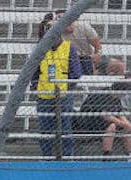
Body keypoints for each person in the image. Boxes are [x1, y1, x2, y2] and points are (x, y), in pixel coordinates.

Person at [32, 13, 83, 158]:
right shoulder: (40, 49)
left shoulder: (69, 48)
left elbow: (76, 73)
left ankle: (67, 157)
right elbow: (34, 72)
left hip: (63, 96)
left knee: (65, 129)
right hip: (43, 96)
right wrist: (36, 86)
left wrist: (66, 87)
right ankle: (47, 157)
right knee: (45, 131)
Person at [76, 60, 131, 157]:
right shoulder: (104, 95)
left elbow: (120, 113)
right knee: (111, 126)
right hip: (89, 123)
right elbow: (106, 116)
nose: (125, 96)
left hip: (102, 122)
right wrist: (123, 123)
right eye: (124, 93)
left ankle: (130, 155)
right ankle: (107, 155)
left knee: (125, 127)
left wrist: (128, 124)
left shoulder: (116, 98)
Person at [57, 7, 102, 75]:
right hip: (66, 60)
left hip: (87, 58)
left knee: (117, 65)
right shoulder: (55, 33)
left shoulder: (84, 27)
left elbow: (97, 46)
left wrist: (95, 62)